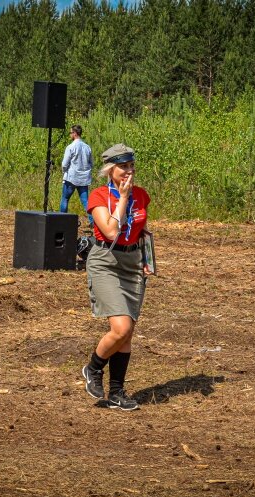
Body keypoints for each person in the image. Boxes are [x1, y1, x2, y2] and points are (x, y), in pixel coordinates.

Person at [81, 144, 153, 411]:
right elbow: (111, 232)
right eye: (123, 167)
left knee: (128, 333)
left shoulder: (142, 196)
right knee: (120, 328)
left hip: (133, 264)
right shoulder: (99, 196)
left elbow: (143, 231)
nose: (129, 171)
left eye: (132, 166)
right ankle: (93, 368)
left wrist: (148, 260)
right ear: (111, 170)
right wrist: (122, 198)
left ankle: (117, 392)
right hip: (106, 263)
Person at [60, 125, 94, 228]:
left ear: (75, 133)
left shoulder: (70, 147)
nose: (70, 135)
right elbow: (92, 163)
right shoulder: (87, 147)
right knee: (86, 201)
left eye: (71, 133)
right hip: (84, 178)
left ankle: (61, 219)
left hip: (71, 178)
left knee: (65, 199)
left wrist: (64, 171)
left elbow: (64, 164)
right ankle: (93, 222)